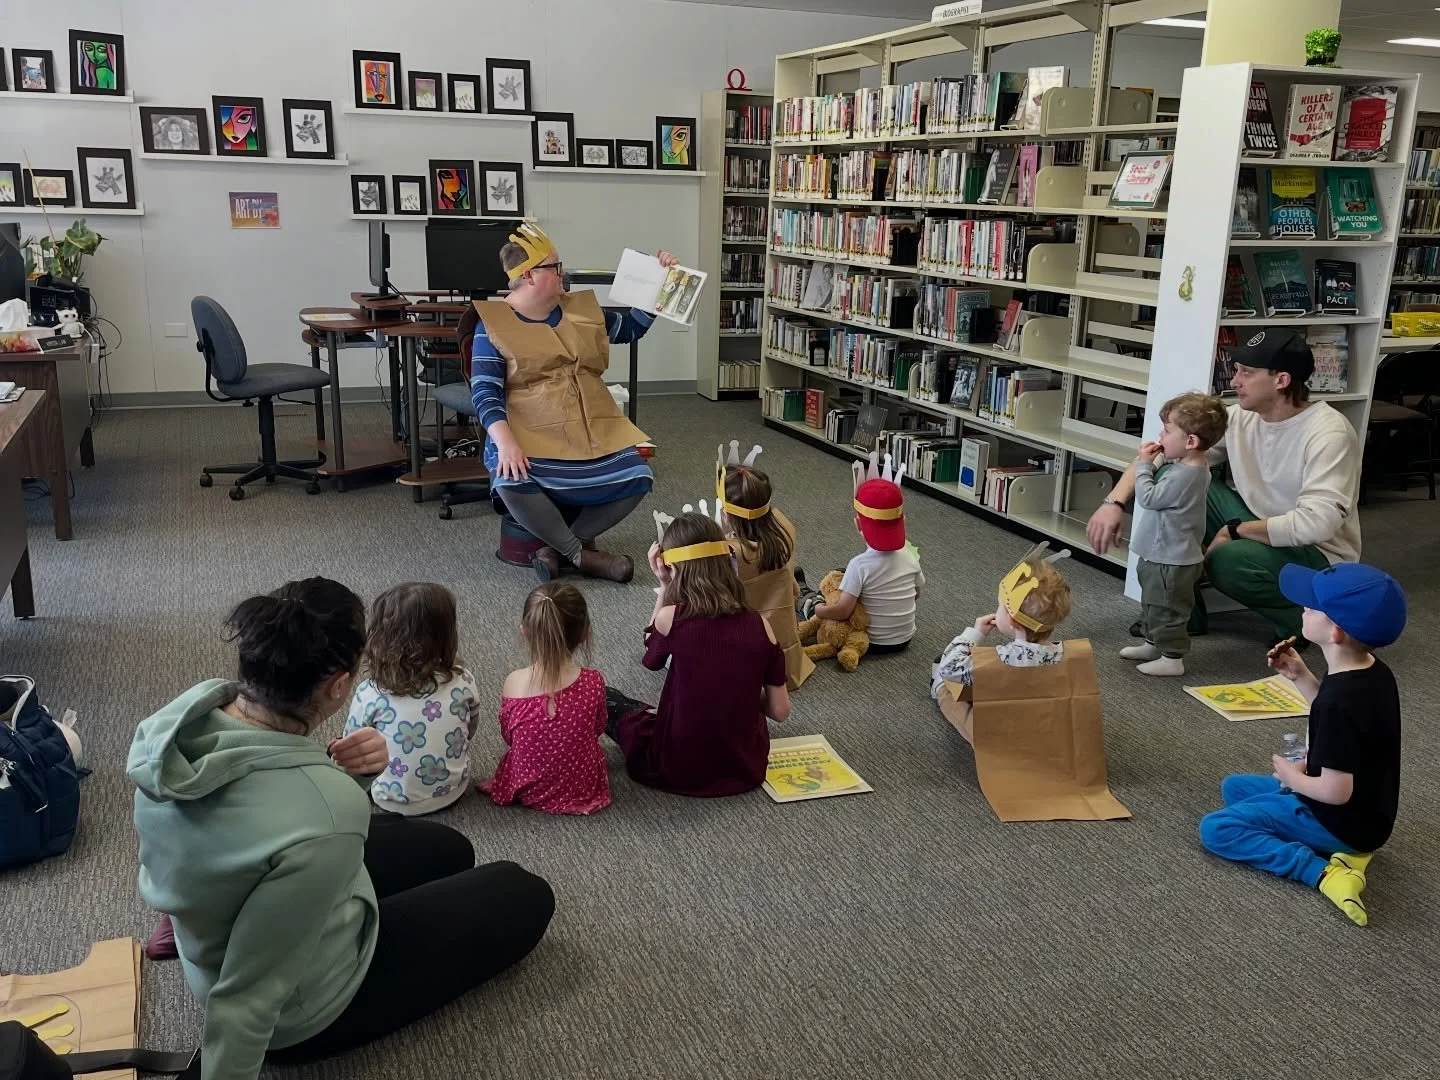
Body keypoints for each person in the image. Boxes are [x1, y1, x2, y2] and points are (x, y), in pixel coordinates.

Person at [129, 577, 553, 1079]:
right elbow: (250, 995)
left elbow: (268, 825)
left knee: (452, 849)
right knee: (524, 892)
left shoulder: (177, 725)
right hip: (301, 1012)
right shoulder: (325, 816)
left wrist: (352, 778)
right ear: (337, 686)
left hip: (219, 925)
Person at [1087, 330, 1359, 643]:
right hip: (1253, 521)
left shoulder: (1328, 433)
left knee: (1228, 560)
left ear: (1281, 380)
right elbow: (1158, 457)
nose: (1234, 381)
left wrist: (1235, 530)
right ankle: (1180, 617)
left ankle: (1300, 623)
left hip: (1317, 554)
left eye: (1247, 372)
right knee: (1163, 481)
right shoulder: (1239, 418)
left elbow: (1316, 525)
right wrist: (1114, 503)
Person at [1198, 563, 1406, 927]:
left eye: (1312, 606)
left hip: (1342, 818)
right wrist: (1301, 677)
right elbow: (1339, 724)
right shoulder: (1369, 670)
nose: (1303, 609)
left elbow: (1336, 790)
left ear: (1335, 632)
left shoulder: (1340, 699)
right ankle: (1341, 850)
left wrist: (1293, 779)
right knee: (1234, 787)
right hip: (1368, 812)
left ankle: (1324, 873)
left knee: (1216, 829)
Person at [470, 222, 677, 583]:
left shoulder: (580, 311)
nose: (563, 273)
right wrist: (505, 443)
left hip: (589, 426)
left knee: (639, 474)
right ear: (530, 275)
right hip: (529, 429)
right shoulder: (492, 325)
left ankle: (561, 547)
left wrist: (661, 283)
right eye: (555, 267)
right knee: (509, 478)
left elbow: (631, 328)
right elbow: (485, 392)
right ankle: (581, 555)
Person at [606, 512, 790, 797]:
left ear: (673, 567)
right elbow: (780, 711)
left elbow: (650, 653)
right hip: (744, 767)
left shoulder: (672, 618)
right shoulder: (760, 624)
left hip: (680, 766)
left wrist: (665, 587)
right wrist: (739, 692)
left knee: (610, 702)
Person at [341, 582, 481, 815]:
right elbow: (471, 727)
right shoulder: (463, 680)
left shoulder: (370, 693)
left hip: (390, 800)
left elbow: (352, 747)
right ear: (446, 636)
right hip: (453, 790)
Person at [1121, 392, 1229, 677]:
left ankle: (1172, 657)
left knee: (1167, 609)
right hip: (1160, 553)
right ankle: (1152, 642)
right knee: (1153, 603)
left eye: (1167, 431)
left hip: (1171, 558)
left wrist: (1143, 464)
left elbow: (1148, 497)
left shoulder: (1186, 474)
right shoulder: (1184, 465)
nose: (1160, 436)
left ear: (1191, 441)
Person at [480, 581, 610, 815]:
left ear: (525, 631)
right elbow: (597, 728)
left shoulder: (513, 682)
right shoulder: (593, 681)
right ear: (585, 634)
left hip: (526, 788)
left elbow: (509, 737)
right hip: (581, 788)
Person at [929, 551, 1071, 743]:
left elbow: (949, 668)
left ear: (1012, 621)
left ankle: (938, 690)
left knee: (950, 694)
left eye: (1000, 605)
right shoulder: (1064, 654)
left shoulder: (1004, 659)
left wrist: (975, 633)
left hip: (1004, 731)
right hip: (1040, 723)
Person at [719, 453, 814, 690]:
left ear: (727, 514)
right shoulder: (782, 528)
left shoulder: (729, 553)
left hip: (741, 650)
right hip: (781, 646)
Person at [811, 473, 923, 654]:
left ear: (858, 525)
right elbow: (916, 593)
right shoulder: (910, 557)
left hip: (870, 641)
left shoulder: (859, 565)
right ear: (903, 521)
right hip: (904, 639)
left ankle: (809, 602)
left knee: (830, 594)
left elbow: (843, 611)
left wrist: (820, 611)